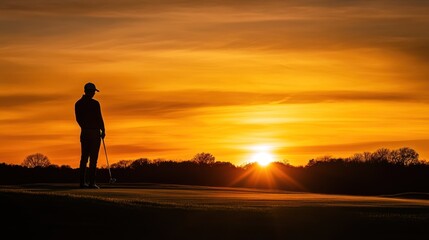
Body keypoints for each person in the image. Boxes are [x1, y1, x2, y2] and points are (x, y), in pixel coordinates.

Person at [75, 82, 106, 189]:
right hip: (93, 132)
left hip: (86, 132)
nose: (93, 94)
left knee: (84, 158)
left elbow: (79, 120)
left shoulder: (78, 103)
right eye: (93, 92)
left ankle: (83, 183)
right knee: (91, 159)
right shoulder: (95, 104)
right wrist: (103, 130)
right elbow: (99, 118)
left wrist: (101, 129)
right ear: (89, 91)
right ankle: (91, 183)